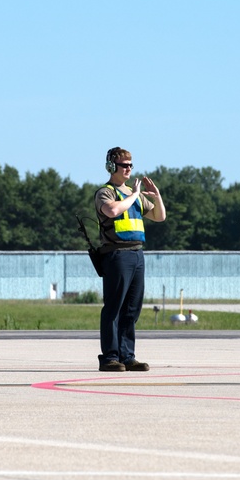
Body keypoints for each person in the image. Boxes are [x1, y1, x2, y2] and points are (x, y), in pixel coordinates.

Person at [94, 147, 166, 372]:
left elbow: (159, 216)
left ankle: (127, 355)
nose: (128, 169)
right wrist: (135, 194)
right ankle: (110, 357)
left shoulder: (134, 194)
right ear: (111, 167)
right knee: (113, 308)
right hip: (116, 254)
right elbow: (113, 211)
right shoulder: (106, 193)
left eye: (130, 165)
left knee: (132, 308)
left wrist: (157, 196)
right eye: (124, 165)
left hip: (136, 253)